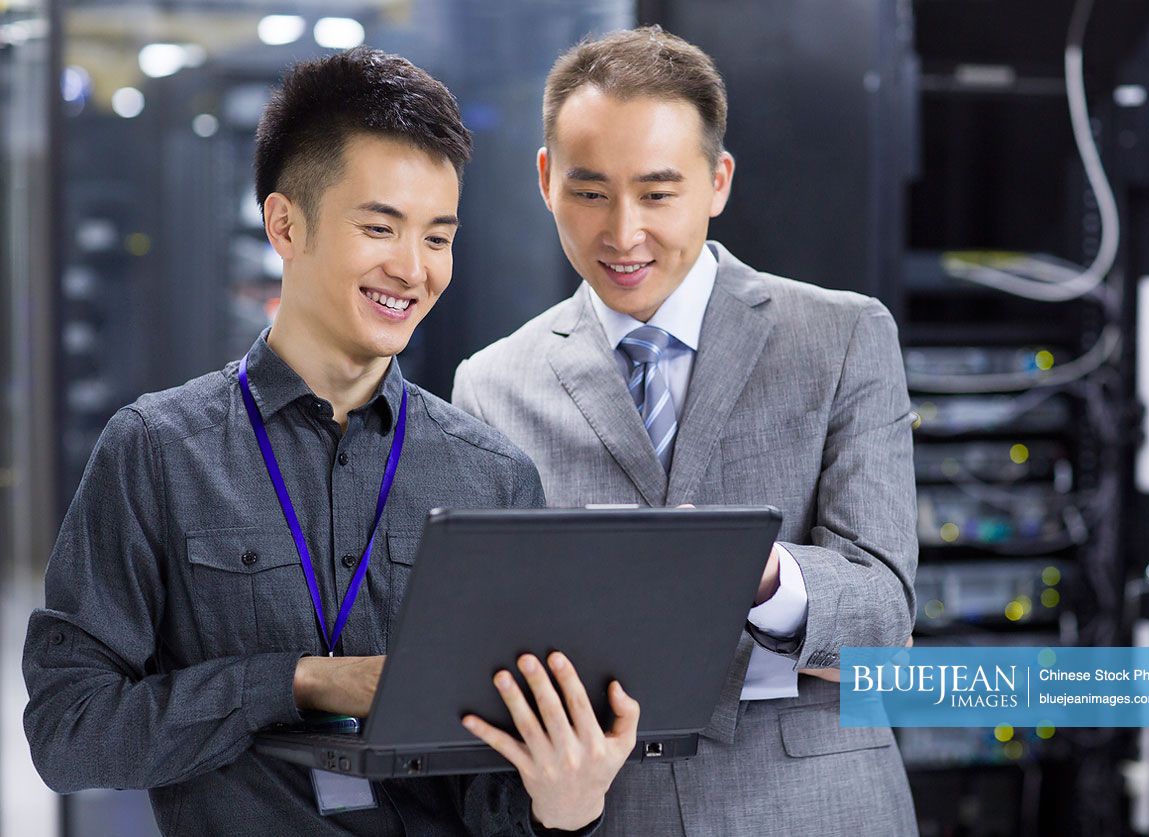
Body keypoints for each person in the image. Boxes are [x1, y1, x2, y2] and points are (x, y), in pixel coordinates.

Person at [23, 47, 638, 836]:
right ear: (285, 223)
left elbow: (500, 792)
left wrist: (567, 805)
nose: (412, 268)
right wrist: (301, 682)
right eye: (380, 226)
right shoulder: (157, 452)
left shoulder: (494, 476)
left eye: (437, 237)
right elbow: (71, 734)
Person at [452, 26, 919, 836]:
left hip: (816, 808)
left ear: (717, 181)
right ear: (544, 179)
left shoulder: (840, 337)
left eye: (658, 194)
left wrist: (760, 573)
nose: (623, 233)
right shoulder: (492, 384)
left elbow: (884, 620)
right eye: (590, 192)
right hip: (607, 813)